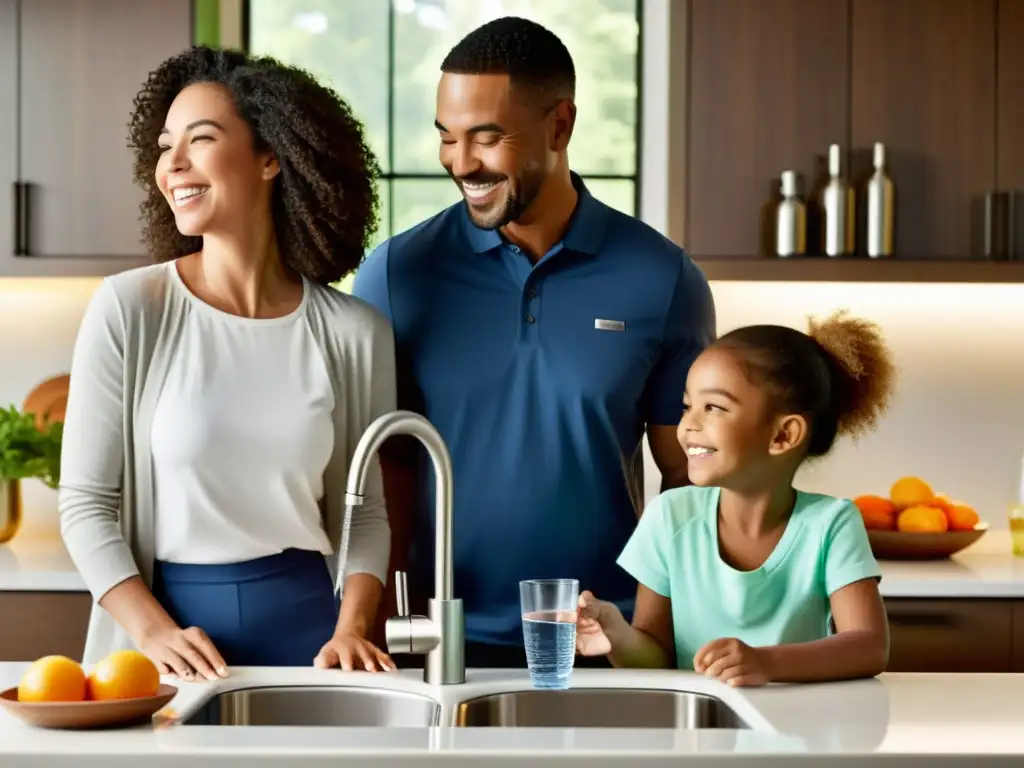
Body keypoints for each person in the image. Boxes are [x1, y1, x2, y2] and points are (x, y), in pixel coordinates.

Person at [353, 17, 716, 668]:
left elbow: (690, 481)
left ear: (561, 126)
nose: (462, 164)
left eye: (487, 139)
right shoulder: (397, 276)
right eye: (448, 138)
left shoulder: (663, 278)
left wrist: (659, 637)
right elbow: (385, 473)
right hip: (438, 646)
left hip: (604, 641)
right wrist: (374, 624)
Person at [59, 46, 396, 679]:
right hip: (167, 640)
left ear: (272, 157)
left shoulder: (354, 332)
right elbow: (85, 504)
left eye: (201, 139)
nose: (173, 165)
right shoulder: (131, 309)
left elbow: (364, 512)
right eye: (164, 146)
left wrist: (353, 628)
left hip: (311, 636)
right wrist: (154, 633)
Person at [575, 310, 896, 685]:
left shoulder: (832, 524)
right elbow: (654, 657)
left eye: (713, 407)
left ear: (783, 436)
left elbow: (869, 646)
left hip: (806, 733)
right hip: (699, 736)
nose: (689, 424)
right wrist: (616, 634)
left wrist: (765, 663)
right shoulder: (670, 516)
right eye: (686, 406)